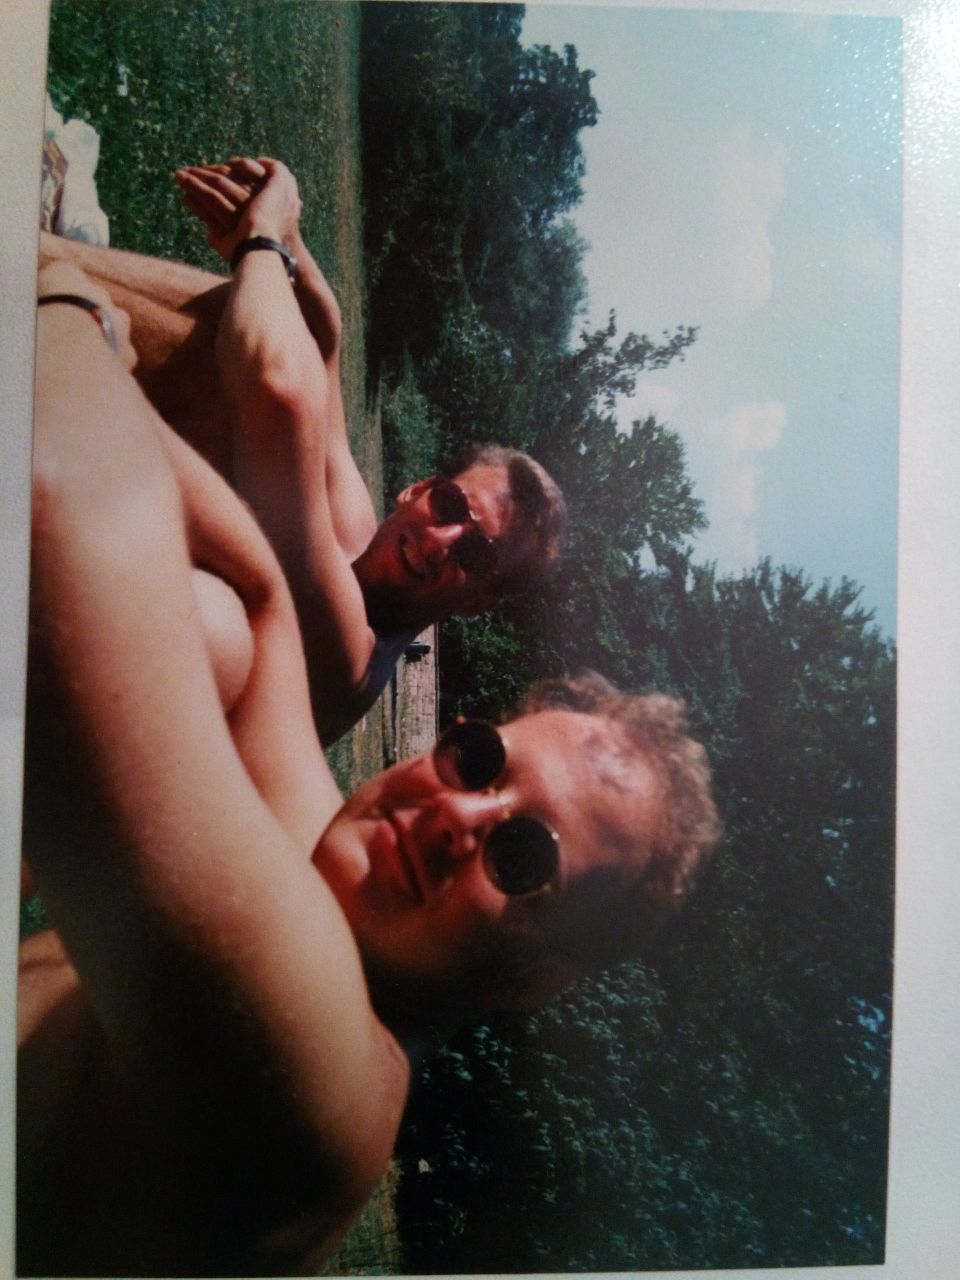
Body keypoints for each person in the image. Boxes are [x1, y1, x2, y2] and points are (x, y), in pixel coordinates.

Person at [20, 263, 719, 1276]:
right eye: (479, 760)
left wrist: (64, 300)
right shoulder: (344, 887)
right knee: (220, 628)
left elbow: (55, 503)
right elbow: (265, 596)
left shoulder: (316, 1062)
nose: (458, 815)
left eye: (523, 855)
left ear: (530, 977)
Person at [39, 157, 567, 745]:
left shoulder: (350, 655)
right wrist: (283, 209)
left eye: (474, 552)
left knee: (240, 375)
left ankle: (36, 277)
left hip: (80, 687)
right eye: (449, 506)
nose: (442, 541)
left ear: (475, 602)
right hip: (106, 545)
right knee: (250, 321)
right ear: (417, 490)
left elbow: (279, 397)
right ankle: (36, 258)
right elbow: (323, 339)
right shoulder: (356, 526)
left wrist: (263, 239)